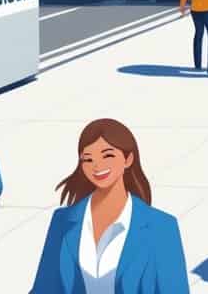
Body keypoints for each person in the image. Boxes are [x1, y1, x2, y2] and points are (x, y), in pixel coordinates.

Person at [32, 118, 189, 293]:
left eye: (107, 155)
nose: (97, 165)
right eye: (88, 159)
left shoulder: (162, 227)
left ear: (128, 159)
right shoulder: (63, 221)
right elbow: (44, 288)